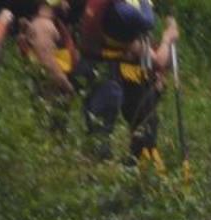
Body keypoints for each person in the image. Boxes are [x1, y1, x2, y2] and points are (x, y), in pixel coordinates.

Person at [75, 0, 175, 161]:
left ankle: (127, 162)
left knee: (140, 117)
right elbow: (158, 59)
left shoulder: (115, 25)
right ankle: (107, 163)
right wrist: (168, 38)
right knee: (114, 116)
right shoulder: (123, 23)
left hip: (113, 71)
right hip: (114, 76)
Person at [14, 0, 75, 101]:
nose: (68, 5)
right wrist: (67, 86)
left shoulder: (47, 24)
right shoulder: (45, 27)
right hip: (47, 93)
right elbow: (47, 63)